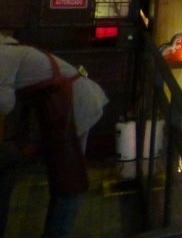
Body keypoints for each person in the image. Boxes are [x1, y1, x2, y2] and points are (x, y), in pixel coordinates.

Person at [0, 36, 108, 238]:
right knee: (66, 177)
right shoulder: (7, 47)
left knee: (68, 179)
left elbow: (5, 103)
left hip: (72, 105)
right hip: (70, 102)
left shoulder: (2, 55)